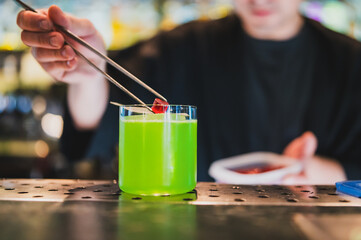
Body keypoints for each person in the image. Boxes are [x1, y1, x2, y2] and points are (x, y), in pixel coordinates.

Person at [16, 0, 360, 183]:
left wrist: (323, 172)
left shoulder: (351, 61)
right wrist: (88, 73)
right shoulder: (184, 47)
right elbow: (99, 120)